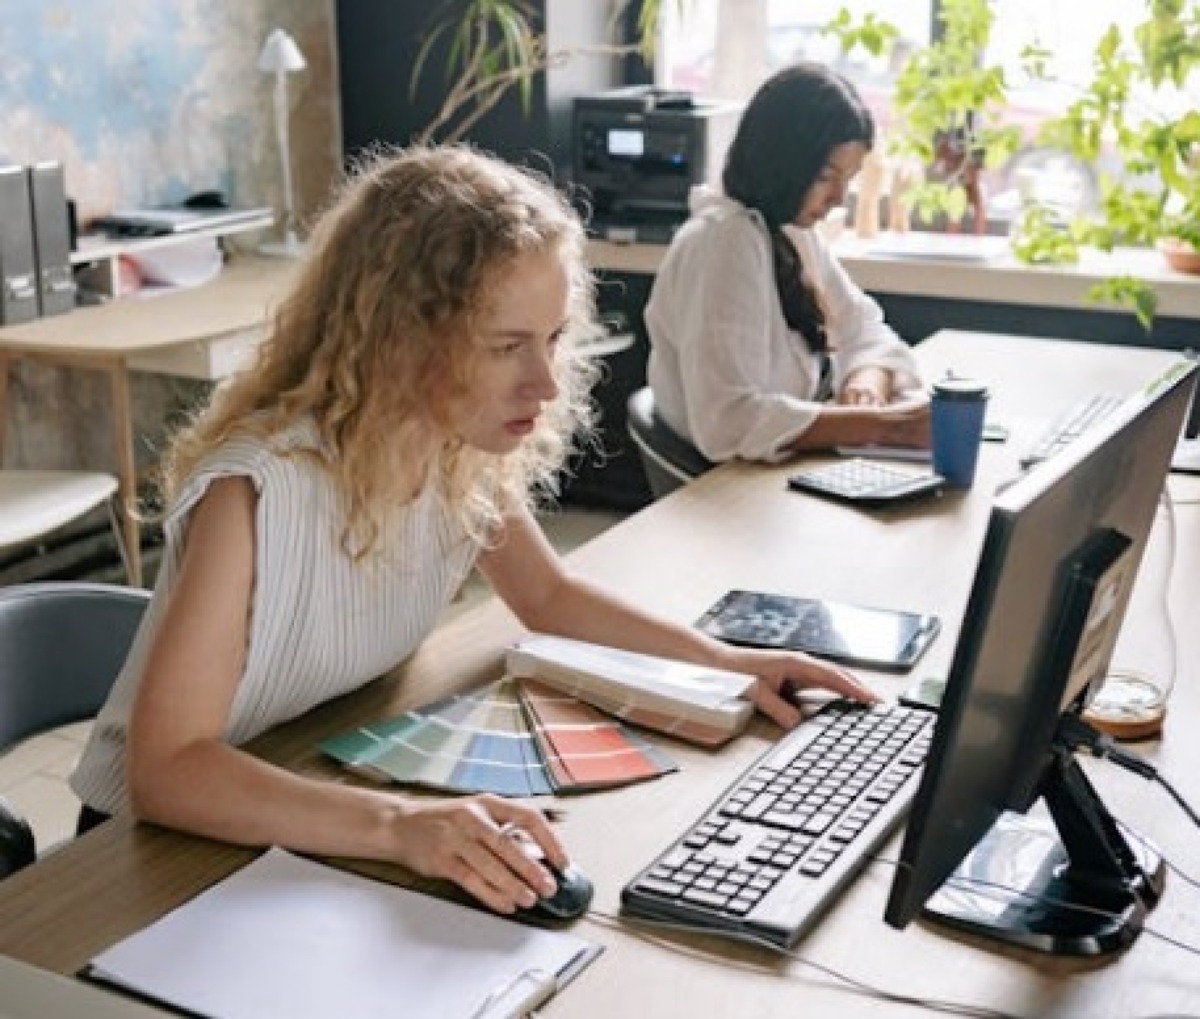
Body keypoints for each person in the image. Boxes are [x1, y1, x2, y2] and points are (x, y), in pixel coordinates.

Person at [70, 145, 875, 917]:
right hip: (152, 851)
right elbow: (168, 770)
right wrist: (399, 827)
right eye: (507, 346)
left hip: (303, 774)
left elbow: (548, 593)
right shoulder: (254, 490)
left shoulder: (456, 449)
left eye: (554, 338)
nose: (547, 379)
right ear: (402, 336)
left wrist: (730, 664)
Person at [645, 61, 931, 463]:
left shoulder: (791, 231)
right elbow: (730, 420)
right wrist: (883, 425)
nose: (836, 200)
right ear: (783, 161)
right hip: (728, 496)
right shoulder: (724, 244)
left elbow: (865, 328)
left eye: (846, 181)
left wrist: (867, 381)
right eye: (826, 177)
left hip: (776, 475)